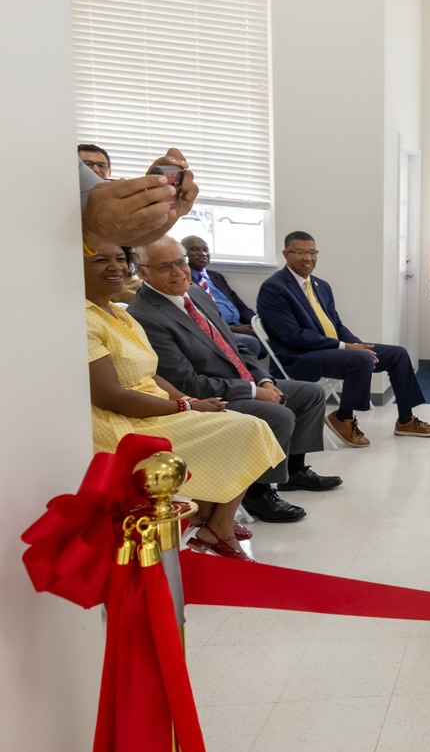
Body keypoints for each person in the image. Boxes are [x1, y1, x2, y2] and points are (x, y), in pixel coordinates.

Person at [84, 243, 285, 562]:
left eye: (120, 259)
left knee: (250, 427)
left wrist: (189, 400)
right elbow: (112, 396)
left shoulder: (119, 315)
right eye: (101, 260)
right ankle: (213, 521)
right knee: (249, 428)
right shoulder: (84, 320)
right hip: (122, 422)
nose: (115, 267)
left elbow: (150, 375)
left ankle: (212, 521)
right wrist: (187, 407)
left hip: (155, 406)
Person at [128, 236, 342, 525]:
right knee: (277, 415)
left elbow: (236, 347)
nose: (178, 272)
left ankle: (294, 470)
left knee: (311, 394)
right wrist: (253, 392)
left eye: (181, 262)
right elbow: (187, 382)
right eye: (165, 266)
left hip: (240, 381)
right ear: (143, 271)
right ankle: (257, 493)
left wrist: (264, 380)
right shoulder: (145, 316)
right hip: (209, 398)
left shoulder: (196, 293)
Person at [256, 231, 430, 447]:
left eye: (312, 252)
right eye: (300, 252)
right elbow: (292, 336)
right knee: (359, 360)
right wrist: (345, 347)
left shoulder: (320, 285)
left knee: (397, 354)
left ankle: (406, 420)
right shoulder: (274, 288)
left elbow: (337, 325)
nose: (308, 258)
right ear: (286, 254)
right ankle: (343, 417)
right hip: (299, 357)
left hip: (330, 350)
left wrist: (357, 344)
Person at [182, 234, 265, 360]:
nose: (202, 253)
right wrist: (233, 330)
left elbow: (239, 305)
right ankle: (247, 379)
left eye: (205, 250)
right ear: (183, 254)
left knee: (269, 334)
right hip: (216, 331)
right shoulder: (183, 280)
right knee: (250, 343)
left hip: (238, 325)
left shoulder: (216, 277)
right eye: (194, 249)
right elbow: (195, 318)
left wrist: (255, 323)